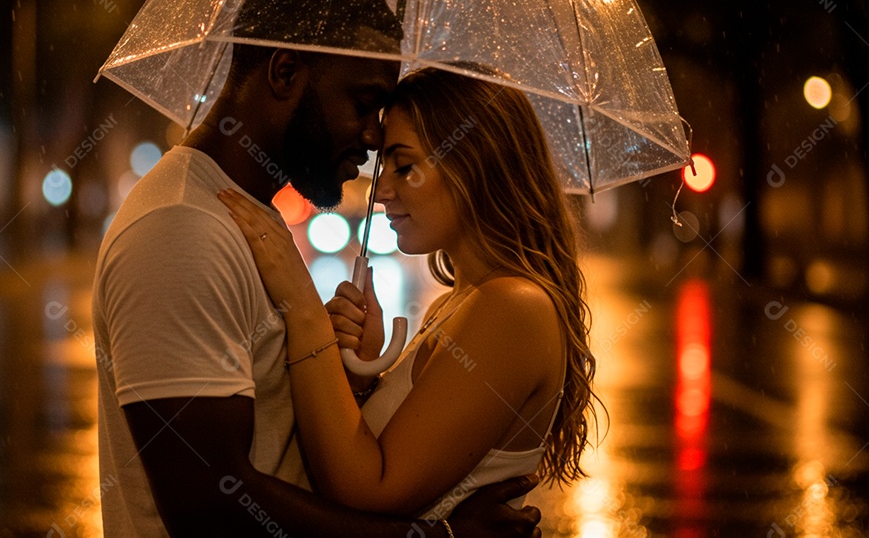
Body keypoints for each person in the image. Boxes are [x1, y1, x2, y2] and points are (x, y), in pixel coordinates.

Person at [93, 0, 544, 538]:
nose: (375, 137)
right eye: (364, 103)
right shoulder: (181, 229)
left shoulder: (245, 221)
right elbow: (210, 504)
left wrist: (345, 380)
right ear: (285, 72)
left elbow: (275, 452)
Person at [220, 66, 602, 522]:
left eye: (404, 166)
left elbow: (368, 491)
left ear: (475, 162)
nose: (380, 191)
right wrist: (358, 383)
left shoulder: (512, 308)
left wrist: (304, 311)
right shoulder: (460, 302)